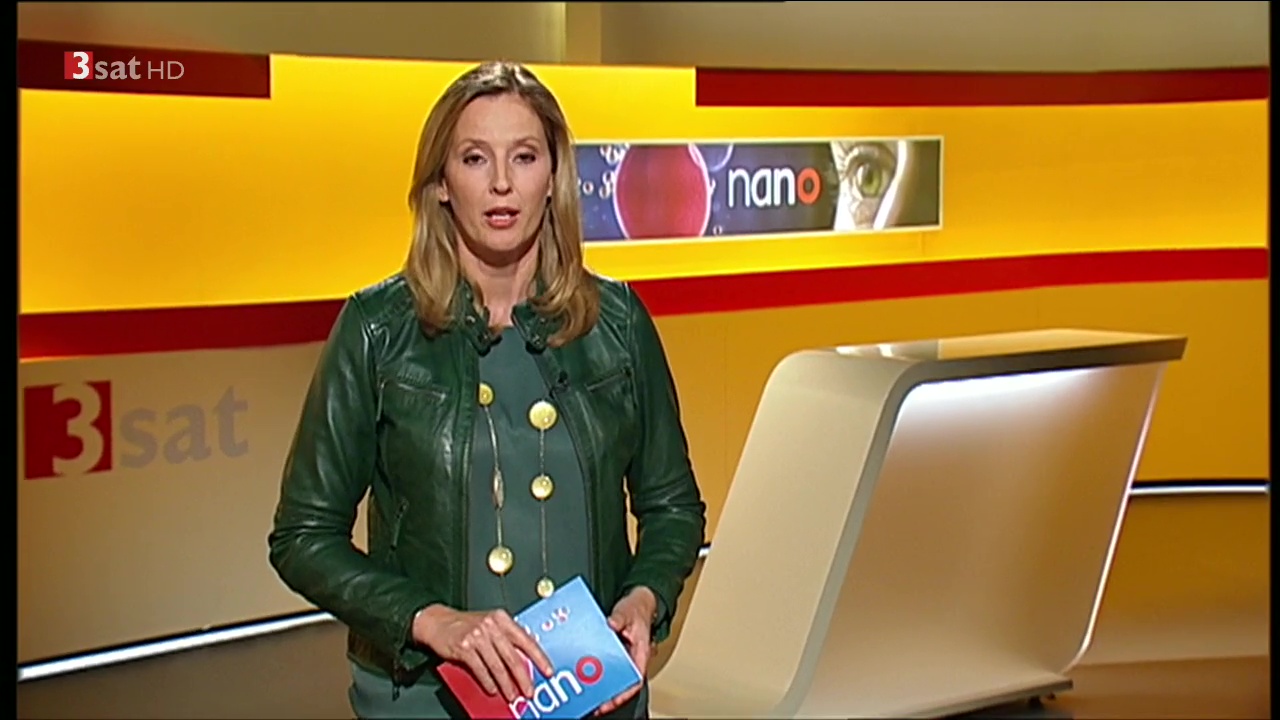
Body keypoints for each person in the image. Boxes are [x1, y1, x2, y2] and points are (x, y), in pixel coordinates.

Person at [267, 60, 707, 720]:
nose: (502, 182)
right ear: (442, 183)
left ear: (553, 177)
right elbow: (302, 535)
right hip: (428, 697)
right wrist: (429, 619)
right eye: (475, 158)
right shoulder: (376, 331)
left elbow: (672, 506)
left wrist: (643, 599)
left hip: (589, 687)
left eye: (524, 157)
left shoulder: (617, 324)